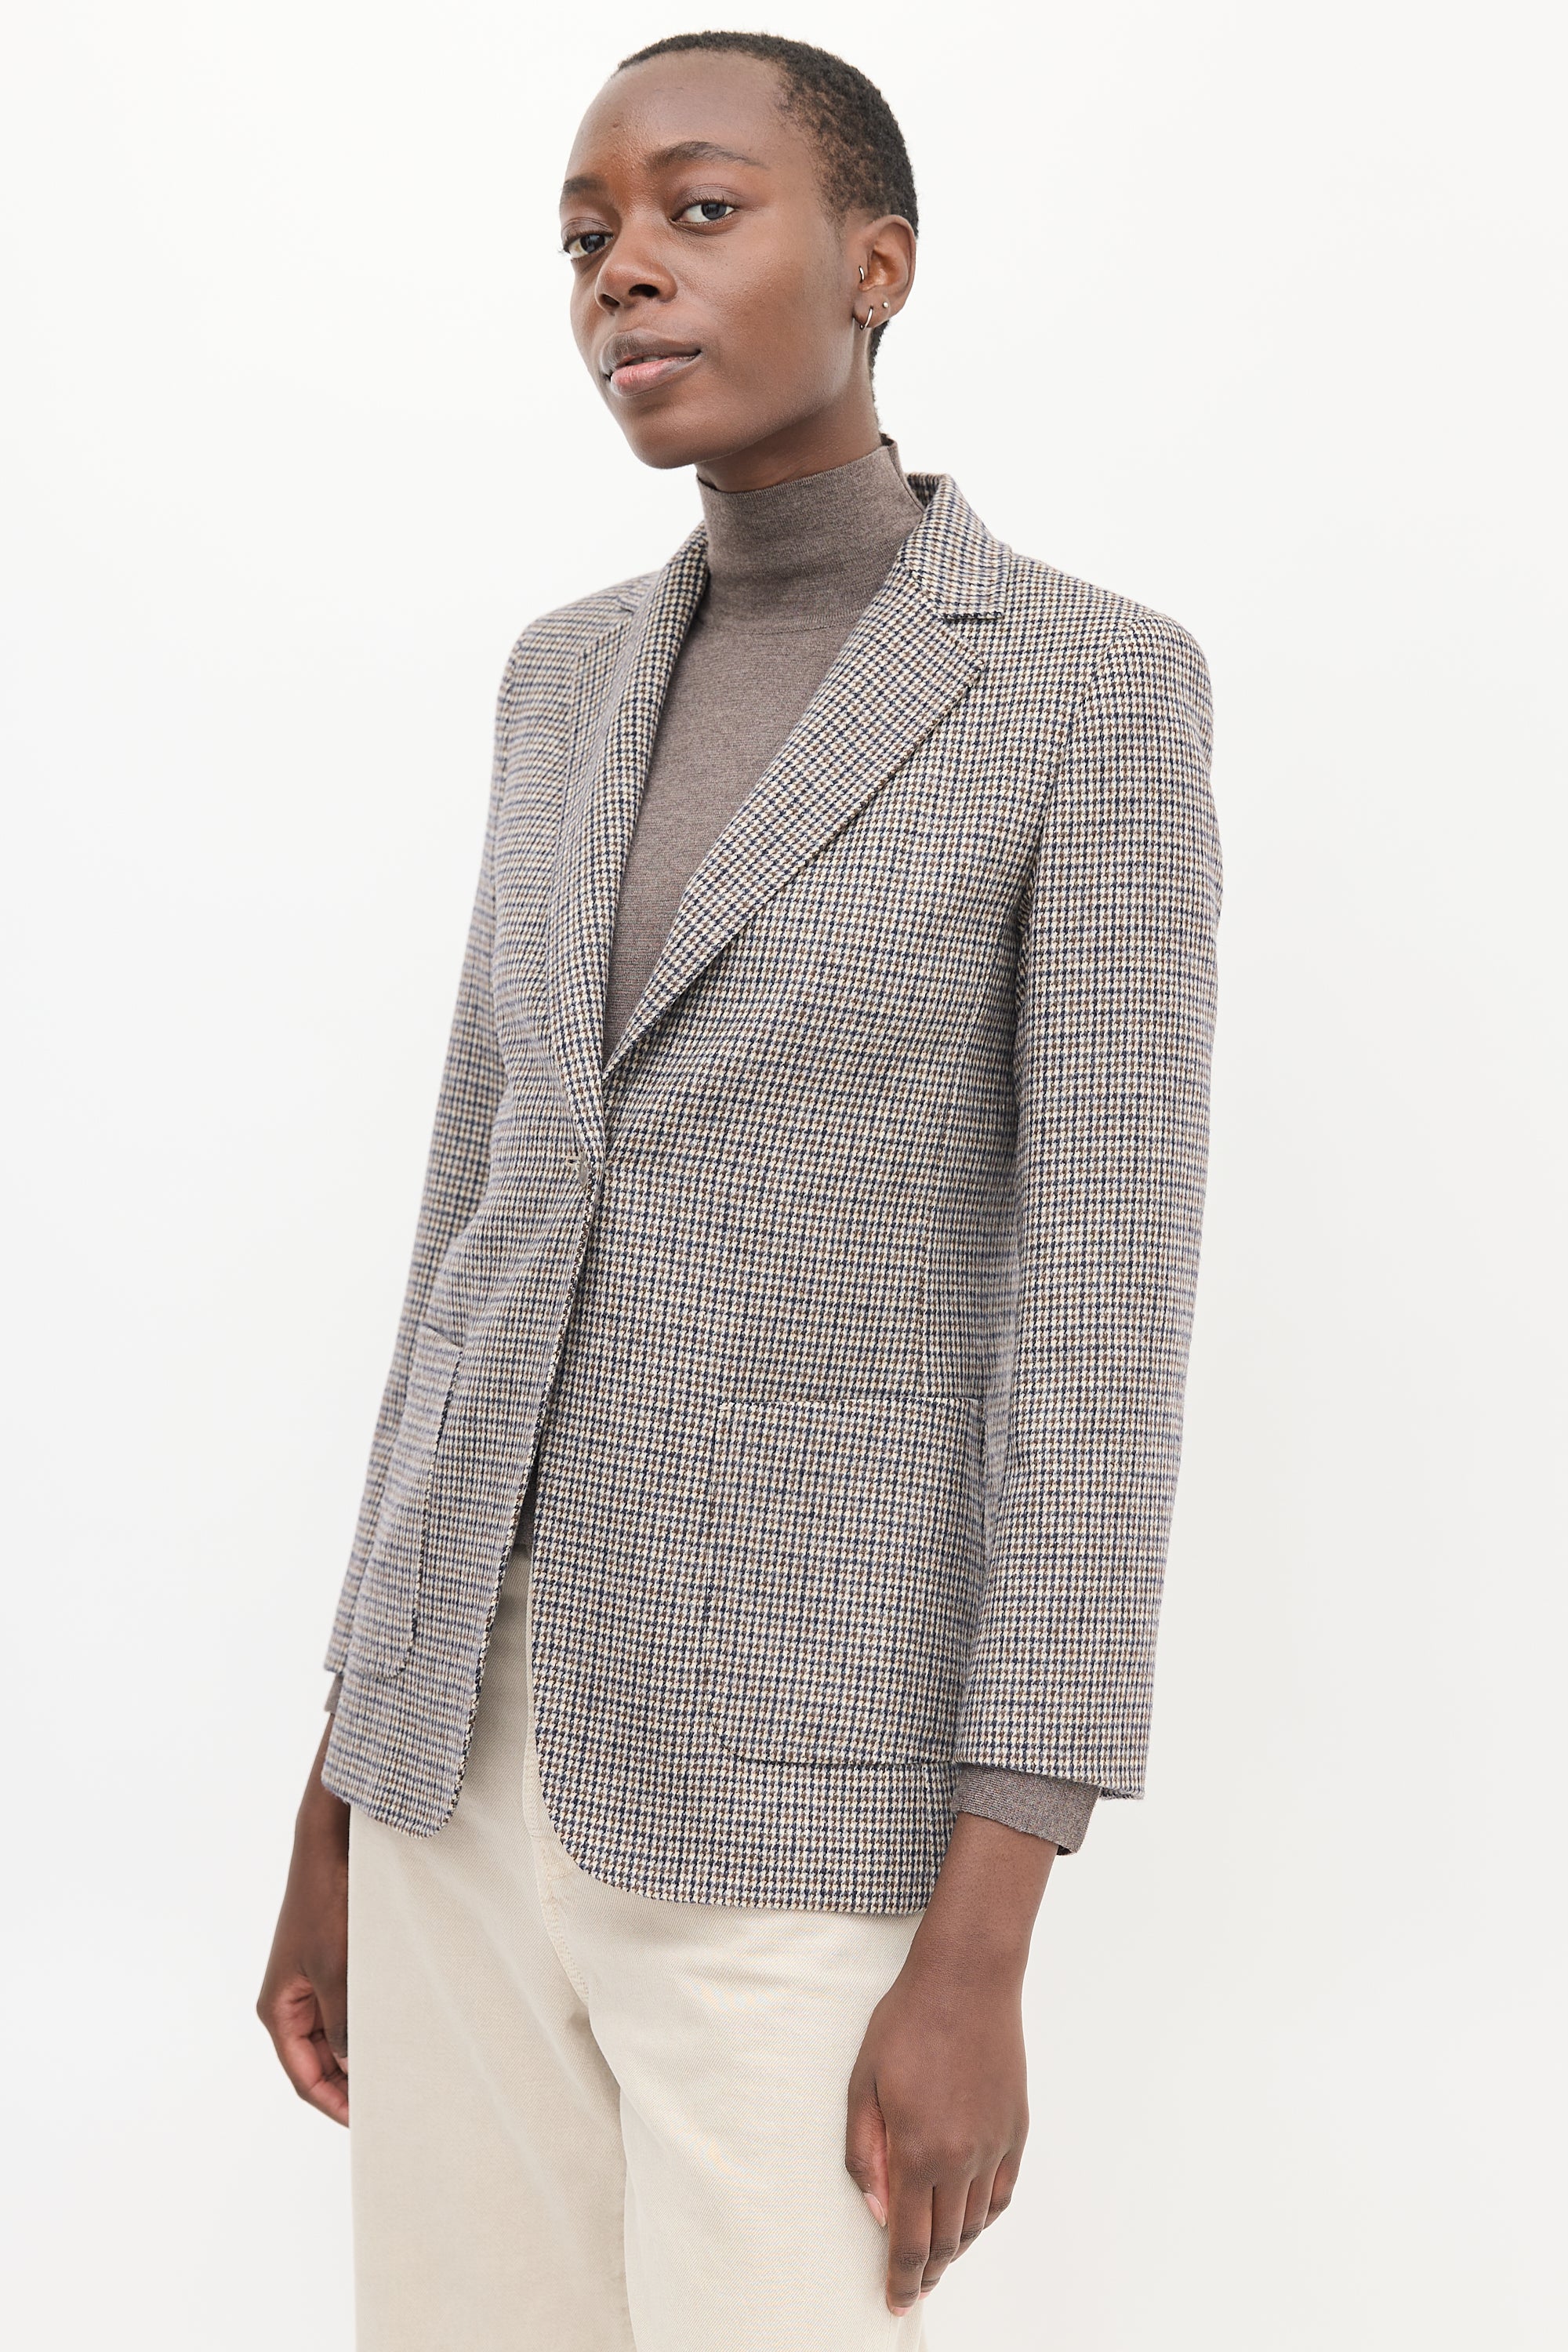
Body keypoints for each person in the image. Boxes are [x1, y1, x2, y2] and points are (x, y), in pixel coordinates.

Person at [257, 30, 1221, 2351]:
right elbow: (474, 1222)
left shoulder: (1088, 689)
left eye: (699, 212)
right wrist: (339, 1783)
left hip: (805, 1787)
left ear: (880, 263)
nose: (624, 275)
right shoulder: (560, 682)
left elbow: (1100, 1315)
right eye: (587, 237)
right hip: (454, 1763)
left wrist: (990, 1928)